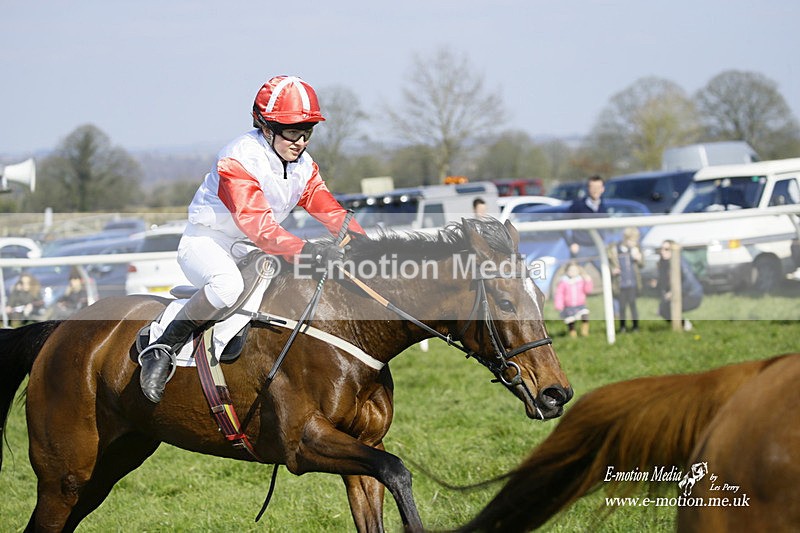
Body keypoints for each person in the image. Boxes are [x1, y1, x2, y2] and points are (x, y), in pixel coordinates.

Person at [138, 75, 366, 404]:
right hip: (207, 243)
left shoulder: (303, 166)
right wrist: (308, 251)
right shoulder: (238, 159)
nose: (300, 141)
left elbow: (329, 211)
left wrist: (365, 244)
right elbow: (258, 227)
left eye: (307, 131)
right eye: (292, 130)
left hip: (253, 250)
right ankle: (161, 346)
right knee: (227, 286)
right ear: (265, 126)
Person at [654, 240, 703, 331]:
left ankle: (684, 327)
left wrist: (673, 293)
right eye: (662, 249)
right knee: (663, 310)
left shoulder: (680, 262)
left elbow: (689, 282)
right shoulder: (663, 263)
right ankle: (683, 326)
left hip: (692, 295)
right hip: (679, 294)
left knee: (667, 309)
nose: (663, 252)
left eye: (667, 249)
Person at [566, 175, 606, 270]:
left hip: (598, 246)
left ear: (603, 189)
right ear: (588, 189)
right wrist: (571, 243)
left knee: (607, 274)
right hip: (582, 248)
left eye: (598, 187)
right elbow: (563, 225)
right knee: (575, 276)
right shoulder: (577, 206)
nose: (595, 190)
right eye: (593, 187)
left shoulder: (603, 206)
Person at [608, 227, 643, 333]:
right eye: (632, 240)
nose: (634, 243)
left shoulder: (635, 249)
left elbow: (642, 265)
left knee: (633, 305)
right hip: (621, 284)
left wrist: (639, 258)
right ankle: (622, 327)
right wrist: (613, 269)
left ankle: (635, 326)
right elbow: (609, 264)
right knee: (622, 306)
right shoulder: (615, 249)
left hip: (632, 283)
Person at [553, 261, 593, 337]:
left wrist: (588, 281)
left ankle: (585, 332)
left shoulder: (581, 280)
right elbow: (559, 294)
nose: (572, 272)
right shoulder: (563, 282)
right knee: (571, 321)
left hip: (580, 305)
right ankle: (573, 334)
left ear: (578, 271)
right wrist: (559, 305)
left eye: (574, 270)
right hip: (569, 306)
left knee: (585, 315)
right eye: (570, 270)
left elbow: (588, 290)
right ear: (566, 271)